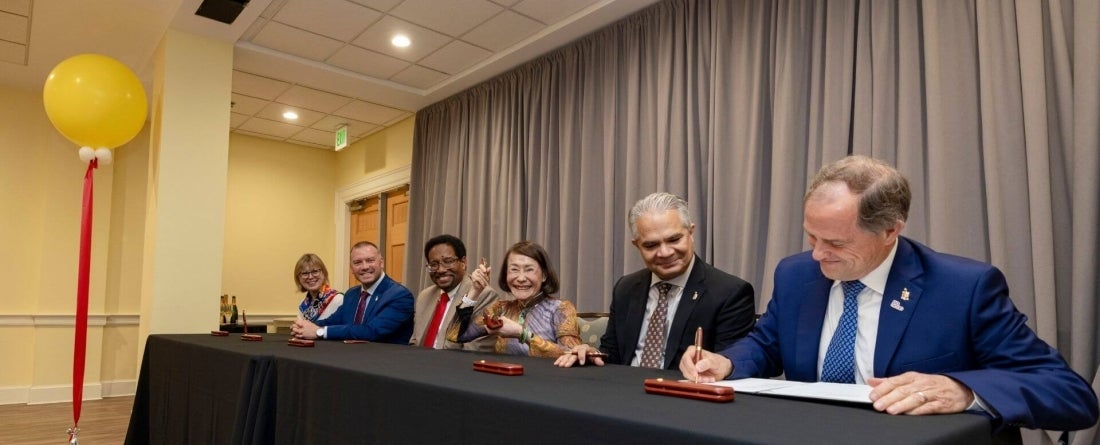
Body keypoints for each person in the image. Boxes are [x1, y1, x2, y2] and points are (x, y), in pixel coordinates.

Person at [680, 155, 1098, 432]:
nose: (818, 254)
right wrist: (727, 362)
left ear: (890, 230)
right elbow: (767, 343)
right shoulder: (797, 275)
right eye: (811, 237)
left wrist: (965, 391)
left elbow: (1068, 393)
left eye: (836, 243)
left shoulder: (963, 288)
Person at [555, 192, 756, 369]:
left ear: (691, 233)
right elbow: (612, 355)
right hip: (623, 391)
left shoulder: (730, 293)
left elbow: (729, 366)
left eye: (674, 239)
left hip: (685, 395)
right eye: (651, 245)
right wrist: (591, 354)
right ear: (637, 245)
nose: (665, 252)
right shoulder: (626, 288)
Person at [455, 241, 582, 357]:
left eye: (529, 270)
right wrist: (475, 291)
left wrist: (522, 334)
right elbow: (455, 336)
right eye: (514, 270)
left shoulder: (561, 308)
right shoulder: (500, 308)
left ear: (544, 275)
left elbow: (571, 355)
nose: (521, 278)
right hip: (504, 373)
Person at [292, 241, 414, 343]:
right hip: (351, 358)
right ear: (351, 268)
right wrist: (303, 327)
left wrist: (319, 332)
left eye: (370, 260)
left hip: (385, 361)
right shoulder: (351, 294)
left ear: (381, 263)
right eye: (357, 262)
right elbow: (332, 321)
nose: (364, 267)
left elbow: (372, 331)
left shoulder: (399, 295)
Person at [409, 234, 502, 351]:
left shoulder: (485, 296)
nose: (441, 270)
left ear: (463, 262)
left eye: (448, 261)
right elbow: (415, 342)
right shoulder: (425, 296)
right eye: (434, 264)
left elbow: (474, 350)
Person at [293, 253, 343, 322]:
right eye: (305, 273)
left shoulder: (338, 300)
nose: (310, 277)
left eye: (315, 271)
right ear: (298, 278)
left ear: (324, 273)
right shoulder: (303, 305)